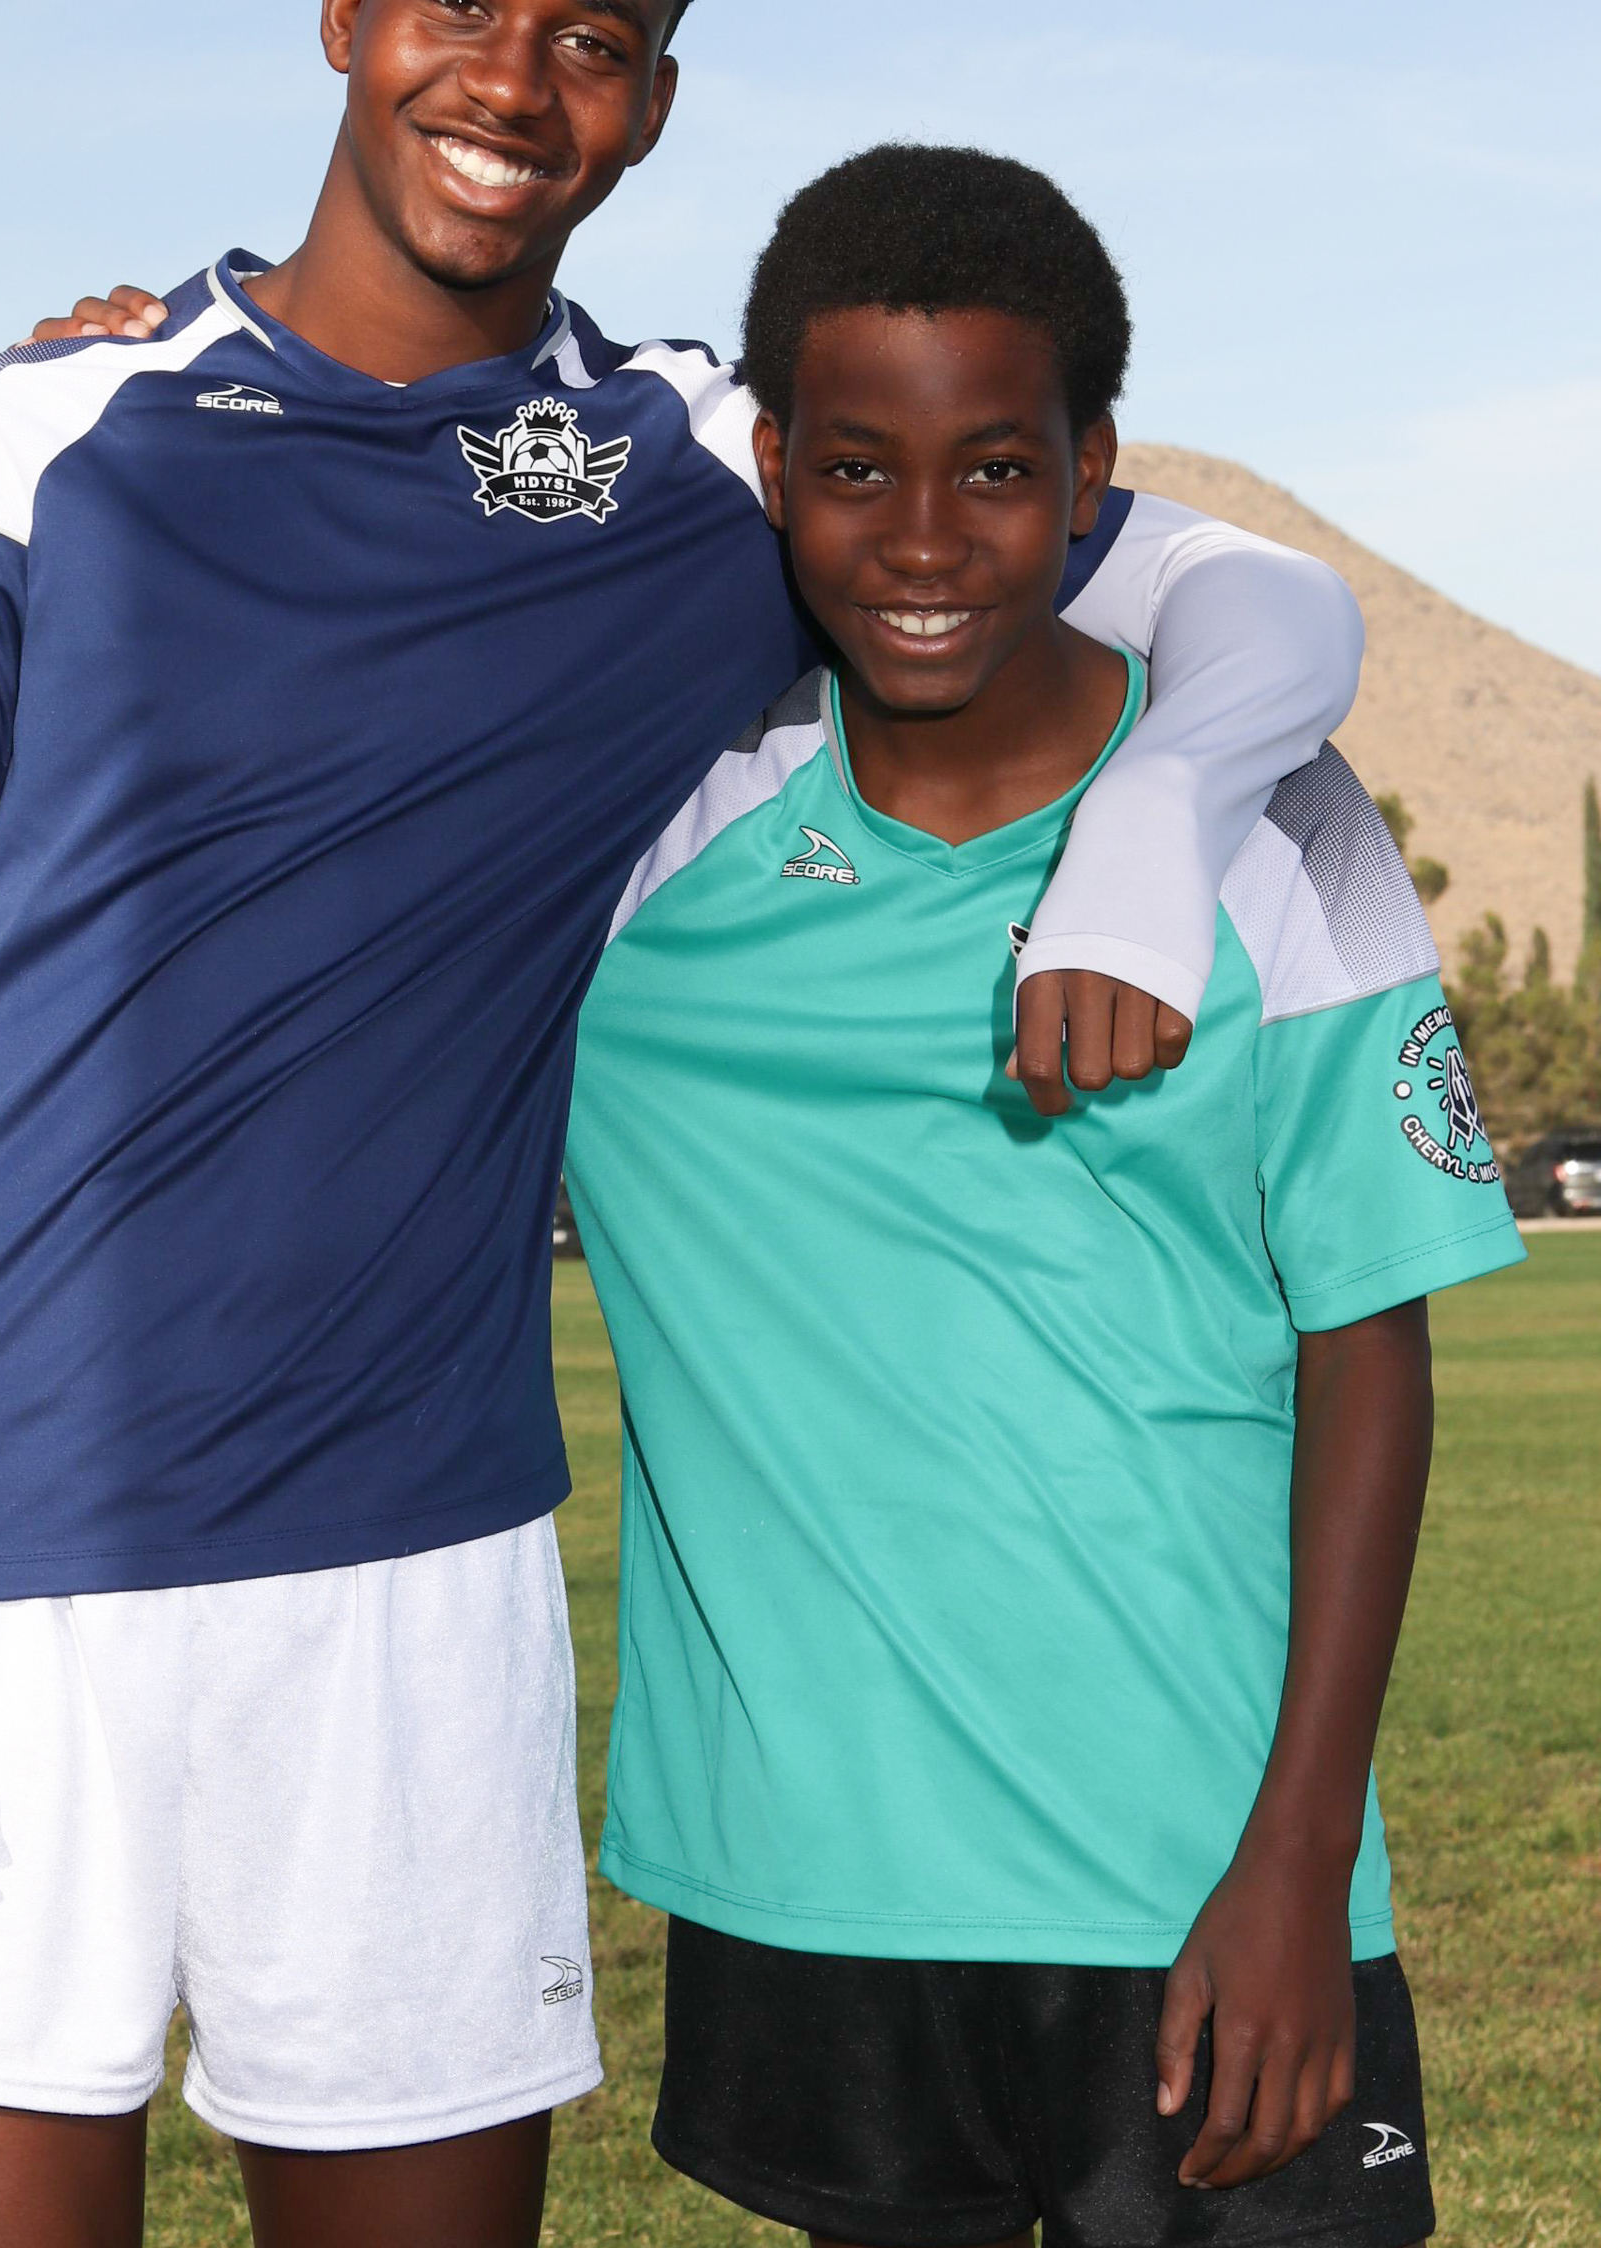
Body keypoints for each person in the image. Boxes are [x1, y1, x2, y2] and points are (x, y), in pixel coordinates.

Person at [0, 0, 1363, 2248]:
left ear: (656, 100)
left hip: (420, 1584)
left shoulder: (693, 469)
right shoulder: (30, 443)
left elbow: (1249, 594)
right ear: (349, 6)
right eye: (460, 0)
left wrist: (1155, 828)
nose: (511, 80)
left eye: (593, 38)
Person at [562, 143, 1523, 2248]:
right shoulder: (651, 836)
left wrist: (1299, 1862)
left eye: (997, 470)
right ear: (772, 467)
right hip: (809, 1872)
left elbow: (1368, 1354)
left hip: (1205, 1872)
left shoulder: (1279, 826)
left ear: (1094, 478)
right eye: (855, 471)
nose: (923, 540)